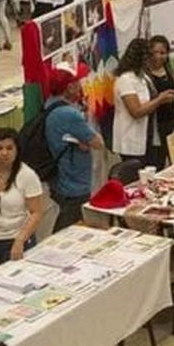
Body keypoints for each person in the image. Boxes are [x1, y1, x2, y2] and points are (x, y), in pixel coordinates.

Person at [0, 129, 44, 266]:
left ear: (17, 150)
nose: (4, 153)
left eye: (9, 148)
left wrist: (20, 240)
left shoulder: (27, 176)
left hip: (14, 239)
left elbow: (36, 212)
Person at [44, 70, 103, 231]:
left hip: (59, 176)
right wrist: (85, 140)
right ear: (70, 87)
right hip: (74, 179)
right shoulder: (69, 113)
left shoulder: (50, 103)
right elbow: (98, 142)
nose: (80, 90)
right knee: (69, 225)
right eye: (78, 86)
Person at [113, 38, 174, 169]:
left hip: (149, 136)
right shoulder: (125, 79)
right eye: (149, 56)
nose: (153, 60)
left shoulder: (142, 76)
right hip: (131, 139)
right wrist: (160, 99)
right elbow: (136, 111)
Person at [146, 35, 174, 141]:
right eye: (155, 52)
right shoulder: (145, 74)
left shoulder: (168, 67)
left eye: (163, 53)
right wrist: (160, 99)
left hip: (172, 120)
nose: (159, 57)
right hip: (156, 124)